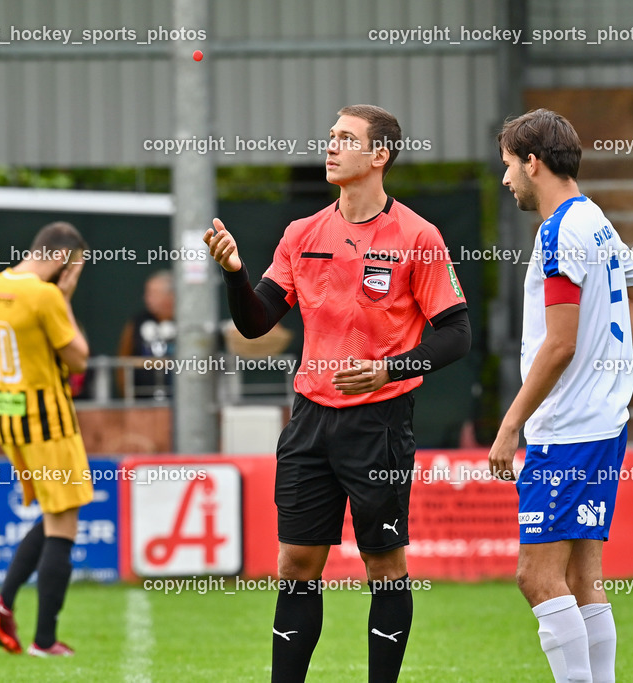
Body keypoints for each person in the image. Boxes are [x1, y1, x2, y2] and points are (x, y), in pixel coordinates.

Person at [204, 104, 471, 683]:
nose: (330, 147)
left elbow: (456, 335)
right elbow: (256, 323)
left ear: (381, 155)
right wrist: (232, 274)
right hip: (309, 422)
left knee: (384, 565)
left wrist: (389, 371)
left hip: (379, 424)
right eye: (329, 137)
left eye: (345, 139)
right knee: (296, 564)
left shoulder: (419, 236)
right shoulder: (303, 234)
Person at [488, 109, 633, 683]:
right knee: (584, 579)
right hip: (604, 421)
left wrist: (511, 423)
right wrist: (602, 364)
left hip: (565, 429)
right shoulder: (595, 220)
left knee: (537, 578)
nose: (506, 179)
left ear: (532, 162)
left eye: (509, 166)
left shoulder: (560, 230)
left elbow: (561, 343)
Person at [0, 221, 93, 657]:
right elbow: (78, 358)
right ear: (63, 261)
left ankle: (3, 601)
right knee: (64, 524)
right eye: (76, 269)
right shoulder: (45, 295)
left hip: (9, 420)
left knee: (51, 514)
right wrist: (64, 298)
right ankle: (45, 640)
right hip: (49, 422)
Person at [116, 269, 176, 399]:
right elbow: (123, 360)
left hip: (179, 399)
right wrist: (128, 396)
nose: (147, 298)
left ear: (170, 296)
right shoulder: (137, 322)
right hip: (142, 402)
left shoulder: (186, 322)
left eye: (153, 294)